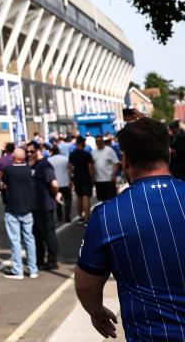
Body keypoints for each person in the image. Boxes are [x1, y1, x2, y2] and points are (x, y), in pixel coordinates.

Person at [76, 117, 185, 340]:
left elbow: (86, 283)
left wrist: (96, 312)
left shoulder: (107, 215)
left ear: (125, 161)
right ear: (169, 154)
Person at [0, 148, 38, 279]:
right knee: (29, 238)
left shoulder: (8, 170)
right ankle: (33, 269)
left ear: (13, 158)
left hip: (12, 208)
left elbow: (2, 185)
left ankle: (18, 270)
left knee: (15, 240)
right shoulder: (29, 170)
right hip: (27, 207)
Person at [26, 143, 60, 270]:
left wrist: (55, 194)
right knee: (37, 234)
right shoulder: (34, 164)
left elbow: (54, 183)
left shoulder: (45, 164)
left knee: (48, 233)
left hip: (45, 205)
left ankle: (52, 261)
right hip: (34, 206)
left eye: (32, 151)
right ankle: (39, 259)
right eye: (27, 152)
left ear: (38, 150)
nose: (29, 154)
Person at [69, 136, 94, 224]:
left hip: (77, 178)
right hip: (86, 178)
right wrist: (92, 178)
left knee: (78, 198)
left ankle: (80, 217)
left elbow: (70, 168)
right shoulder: (87, 154)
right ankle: (87, 219)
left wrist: (70, 180)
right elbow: (90, 167)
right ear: (82, 143)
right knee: (86, 197)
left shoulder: (72, 154)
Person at [91, 135, 120, 202]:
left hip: (109, 179)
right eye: (97, 141)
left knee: (111, 199)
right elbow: (91, 165)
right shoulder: (93, 152)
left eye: (100, 141)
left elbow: (116, 163)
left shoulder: (109, 150)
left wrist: (113, 175)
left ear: (103, 141)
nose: (99, 143)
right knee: (102, 200)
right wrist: (92, 177)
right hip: (98, 180)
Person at [47, 145, 71, 223]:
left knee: (57, 199)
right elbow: (69, 170)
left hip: (55, 183)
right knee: (67, 200)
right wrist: (70, 180)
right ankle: (67, 216)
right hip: (65, 182)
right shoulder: (65, 159)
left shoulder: (49, 160)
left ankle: (59, 216)